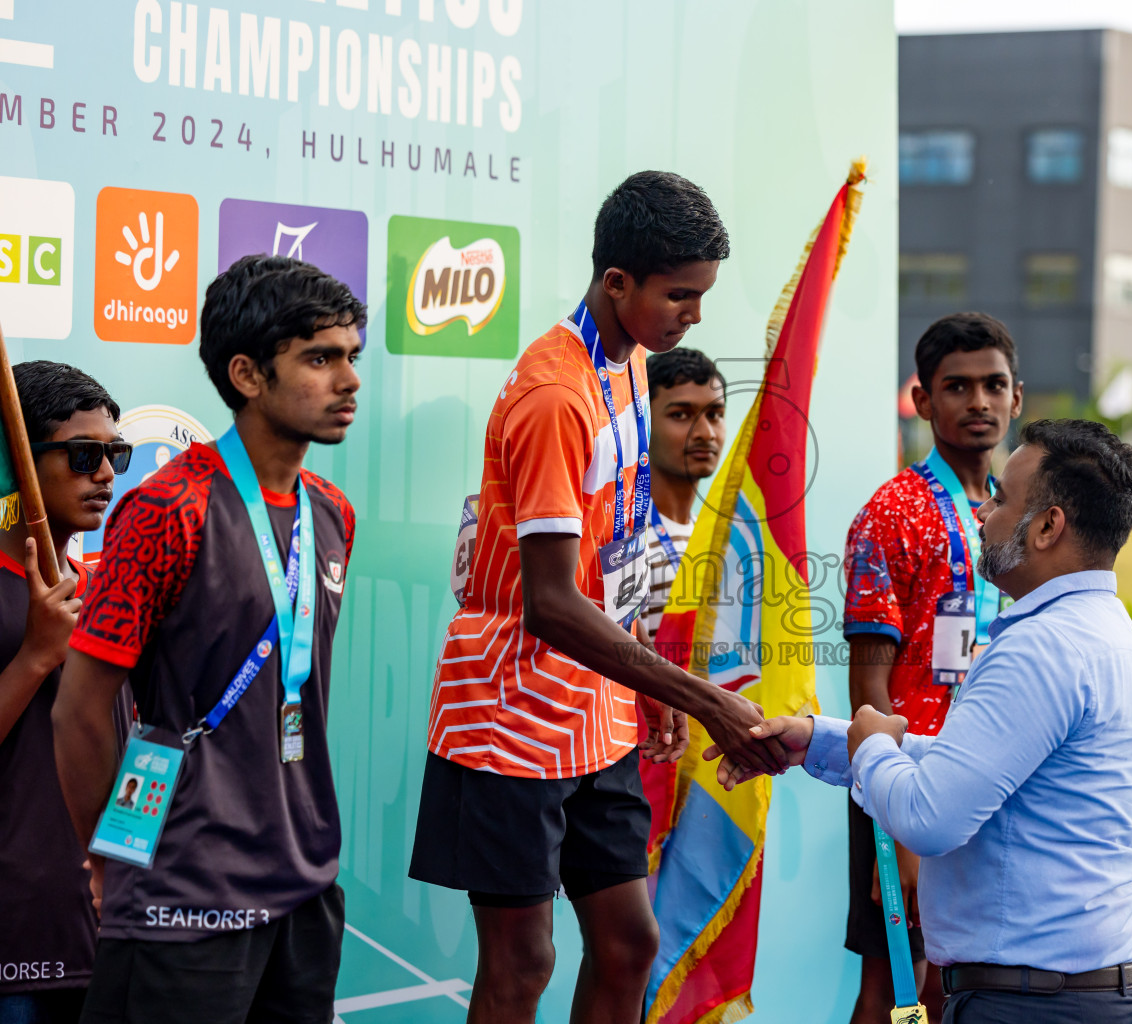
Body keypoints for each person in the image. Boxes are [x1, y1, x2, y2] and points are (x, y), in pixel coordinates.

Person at [409, 171, 785, 1024]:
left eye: (700, 295)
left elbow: (623, 543)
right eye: (679, 295)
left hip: (598, 708)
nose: (694, 315)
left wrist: (644, 687)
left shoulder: (632, 364)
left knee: (628, 944)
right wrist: (698, 698)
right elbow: (548, 602)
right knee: (523, 962)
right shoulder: (555, 394)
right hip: (507, 721)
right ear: (617, 283)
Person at [711, 419, 1132, 1024]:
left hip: (1032, 1003)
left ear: (1050, 526)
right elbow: (969, 762)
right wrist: (820, 741)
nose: (983, 514)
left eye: (1000, 498)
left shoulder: (1043, 647)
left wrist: (871, 749)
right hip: (1066, 991)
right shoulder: (1102, 629)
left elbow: (930, 816)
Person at [53, 255, 364, 1024]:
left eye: (351, 357)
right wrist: (113, 859)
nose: (348, 380)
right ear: (248, 375)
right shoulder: (167, 510)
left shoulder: (334, 512)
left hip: (305, 883)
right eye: (320, 359)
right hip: (182, 894)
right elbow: (81, 710)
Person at [840, 313, 1021, 1022]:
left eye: (993, 385)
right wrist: (899, 830)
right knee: (897, 987)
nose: (978, 402)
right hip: (909, 783)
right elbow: (868, 689)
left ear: (1018, 398)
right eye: (958, 387)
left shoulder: (1025, 516)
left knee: (965, 981)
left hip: (994, 778)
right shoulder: (893, 513)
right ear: (922, 400)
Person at [0, 361, 129, 1024]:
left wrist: (129, 866)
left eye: (115, 454)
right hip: (13, 931)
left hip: (102, 927)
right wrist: (35, 655)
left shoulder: (105, 590)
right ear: (19, 456)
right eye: (84, 455)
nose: (106, 474)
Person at [641, 346, 727, 638]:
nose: (706, 433)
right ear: (643, 422)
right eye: (681, 414)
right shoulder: (625, 537)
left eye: (715, 415)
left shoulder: (711, 540)